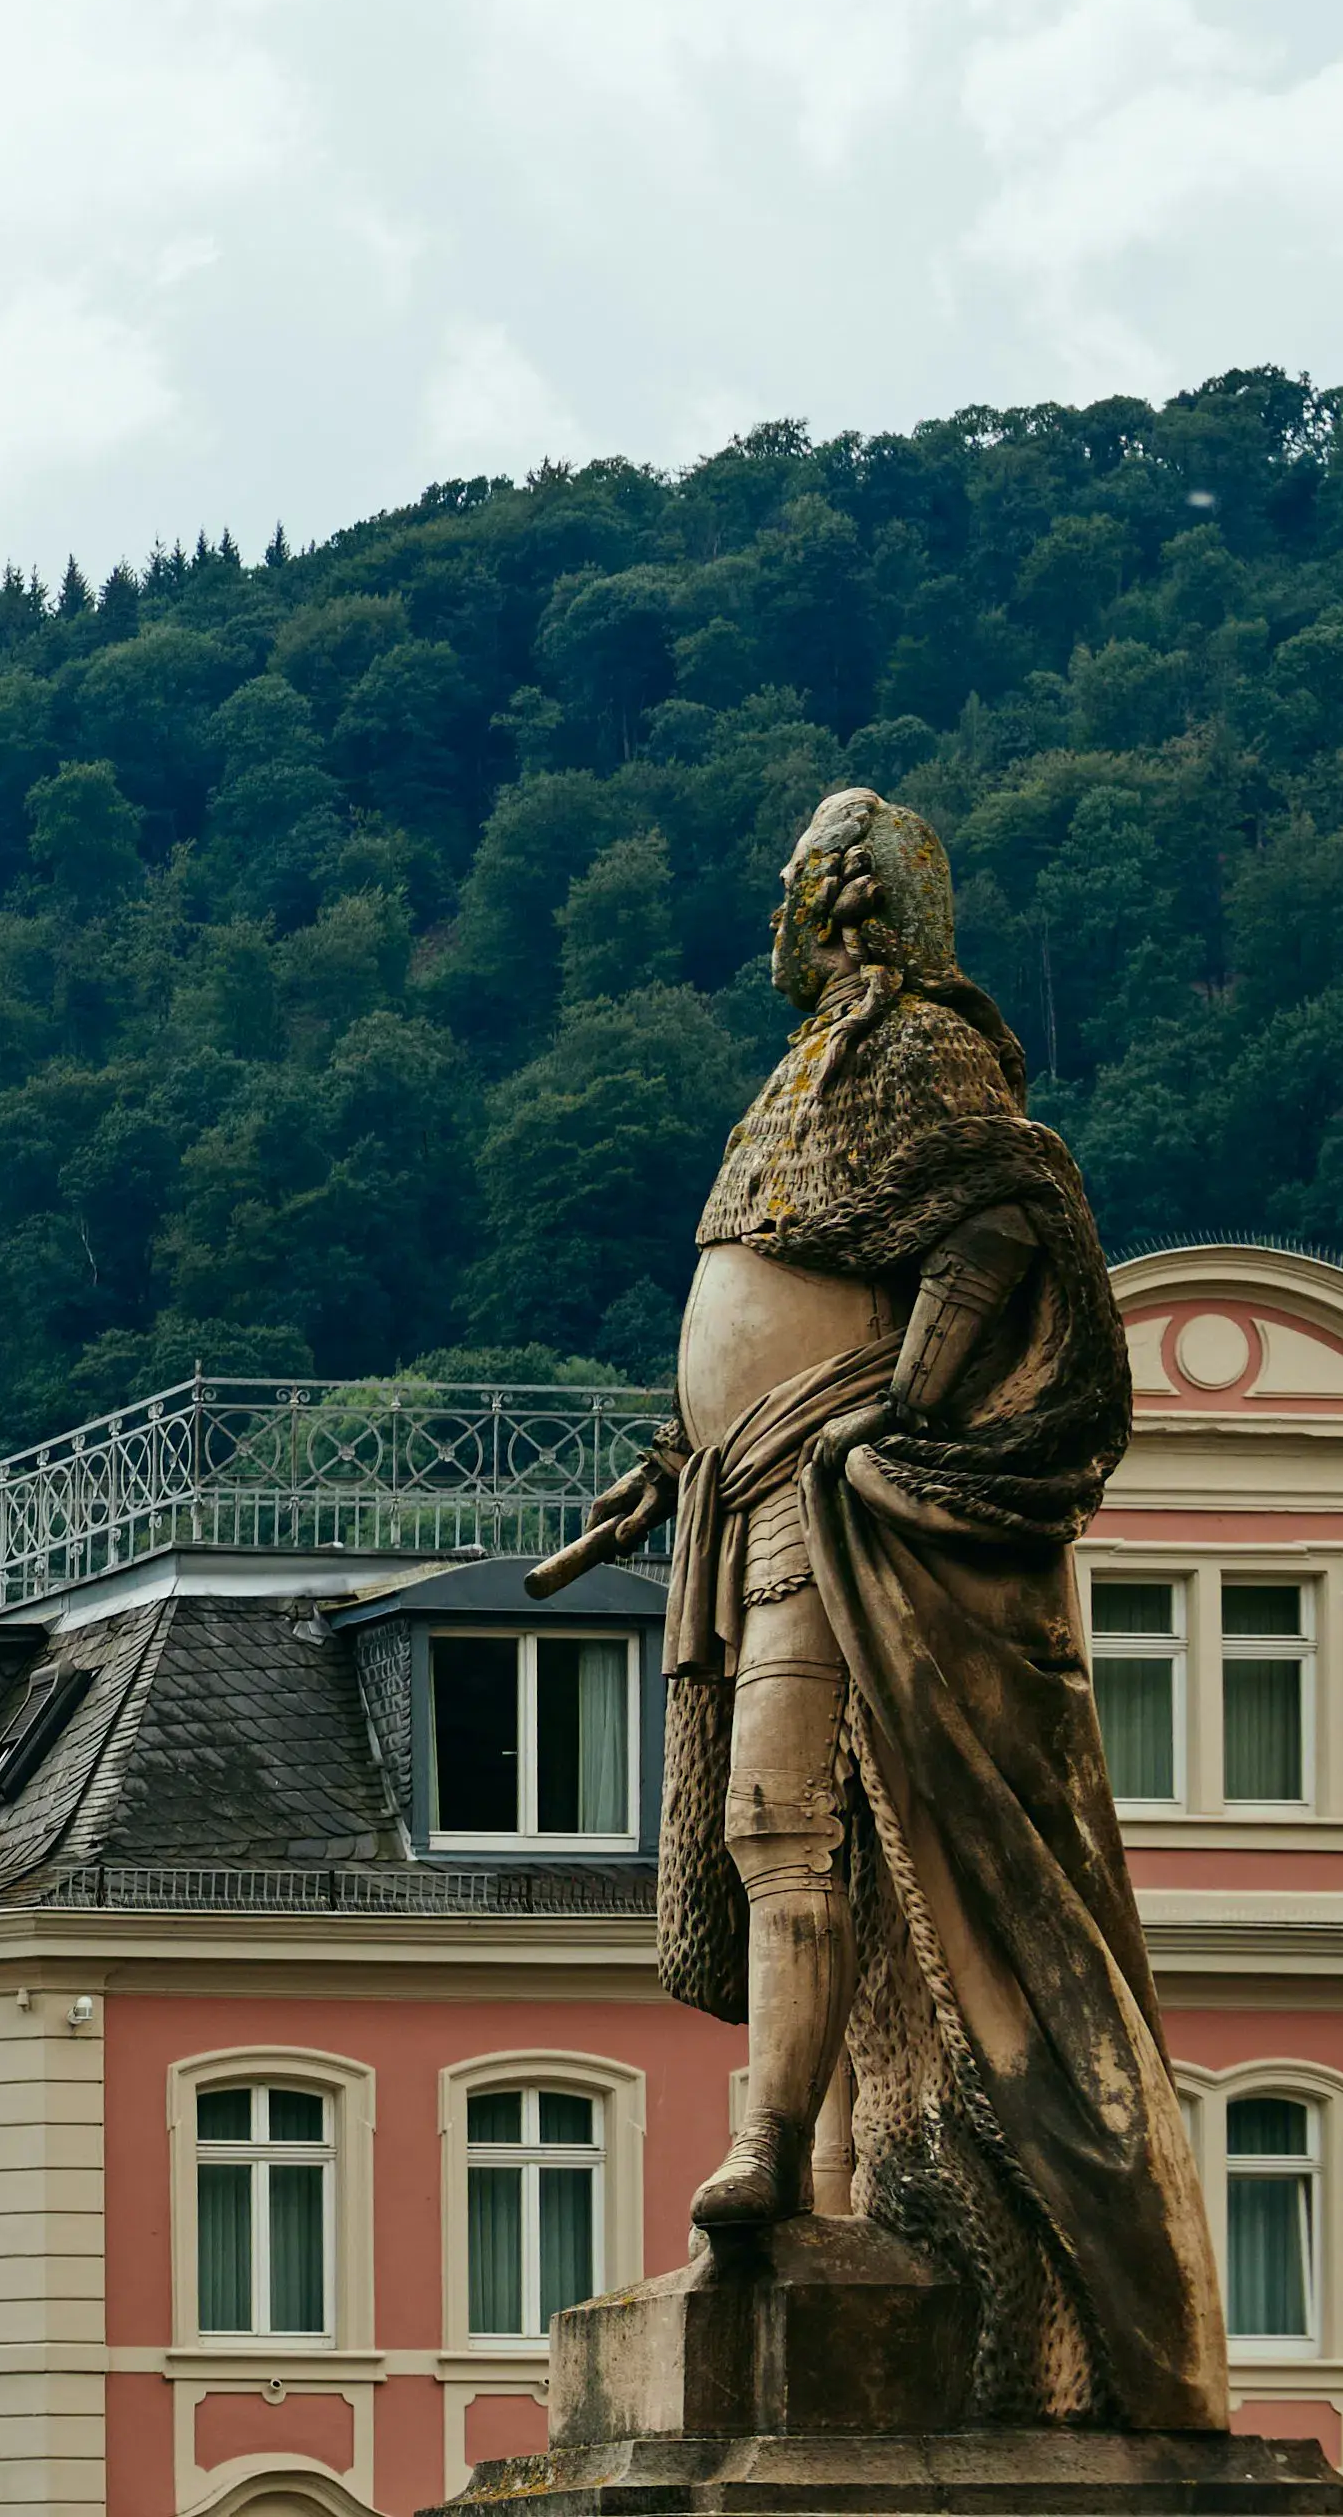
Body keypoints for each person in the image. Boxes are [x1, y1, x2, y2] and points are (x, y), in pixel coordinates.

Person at [532, 788, 1220, 2426]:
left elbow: (1000, 1216)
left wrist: (897, 1406)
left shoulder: (918, 1048)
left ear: (852, 910)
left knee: (798, 1823)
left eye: (806, 892)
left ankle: (776, 2151)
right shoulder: (799, 1079)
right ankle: (825, 2160)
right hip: (748, 1487)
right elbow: (792, 1274)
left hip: (850, 1500)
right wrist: (677, 1452)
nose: (788, 919)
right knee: (787, 1829)